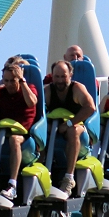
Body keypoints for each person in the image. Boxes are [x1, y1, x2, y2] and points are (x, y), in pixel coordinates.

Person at [45, 61, 97, 195]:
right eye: (57, 77)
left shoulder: (77, 88)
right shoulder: (48, 90)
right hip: (55, 127)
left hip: (78, 126)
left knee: (72, 131)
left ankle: (69, 178)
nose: (60, 80)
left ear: (70, 75)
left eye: (63, 76)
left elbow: (90, 107)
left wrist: (69, 123)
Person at [0, 64, 38, 203]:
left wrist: (22, 82)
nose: (9, 84)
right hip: (3, 131)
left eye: (12, 80)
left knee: (14, 140)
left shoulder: (29, 89)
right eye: (6, 80)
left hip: (24, 134)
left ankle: (12, 185)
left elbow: (32, 102)